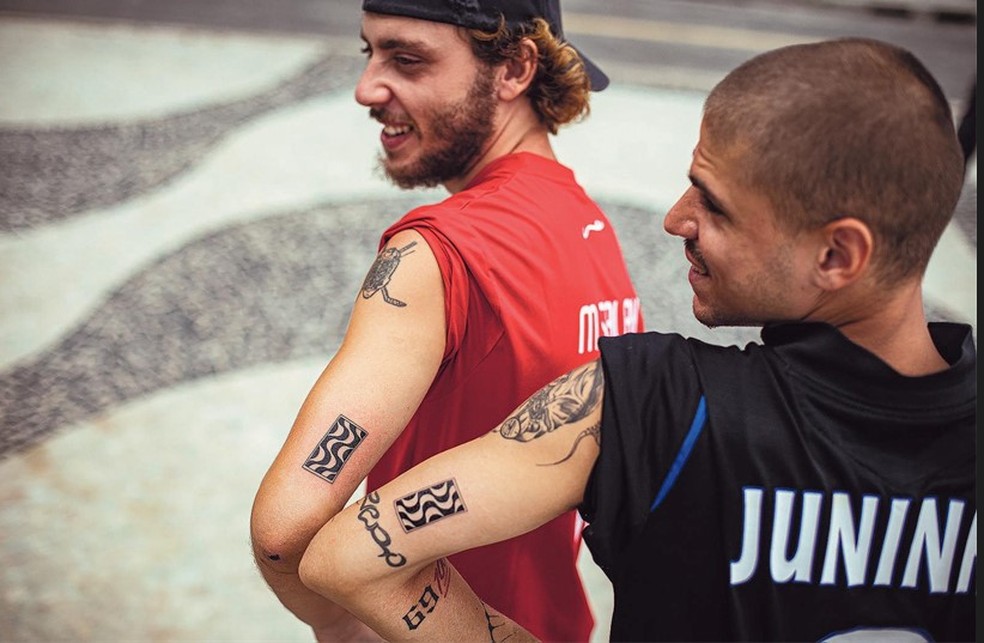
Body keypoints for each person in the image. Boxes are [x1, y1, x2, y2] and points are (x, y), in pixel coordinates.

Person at [295, 37, 976, 642]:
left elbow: (345, 555)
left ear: (838, 255)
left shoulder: (658, 401)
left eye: (712, 202)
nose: (675, 219)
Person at [249, 0, 643, 640]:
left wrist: (351, 633)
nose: (366, 88)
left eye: (407, 60)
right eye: (368, 53)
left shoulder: (435, 253)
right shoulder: (589, 226)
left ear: (514, 68)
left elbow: (282, 531)